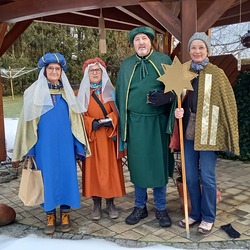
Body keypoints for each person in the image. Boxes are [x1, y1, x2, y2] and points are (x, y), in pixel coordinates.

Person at [12, 52, 91, 235]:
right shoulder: (33, 94)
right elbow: (28, 125)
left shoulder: (67, 95)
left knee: (66, 178)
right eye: (51, 68)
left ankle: (64, 214)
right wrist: (30, 150)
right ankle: (49, 215)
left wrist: (78, 147)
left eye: (57, 69)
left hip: (65, 147)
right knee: (46, 180)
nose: (54, 71)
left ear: (61, 72)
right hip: (43, 148)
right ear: (44, 71)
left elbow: (76, 124)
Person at [174, 32, 239, 235]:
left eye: (201, 47)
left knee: (207, 177)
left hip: (209, 133)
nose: (197, 51)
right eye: (193, 47)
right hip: (188, 130)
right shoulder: (183, 72)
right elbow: (176, 98)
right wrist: (177, 111)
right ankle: (195, 213)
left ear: (208, 50)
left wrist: (226, 131)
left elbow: (228, 103)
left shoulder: (217, 73)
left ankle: (208, 217)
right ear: (189, 50)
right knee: (191, 177)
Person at [115, 26, 176, 227]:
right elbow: (120, 97)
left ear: (151, 41)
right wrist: (124, 127)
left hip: (157, 123)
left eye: (144, 39)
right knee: (138, 166)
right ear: (133, 44)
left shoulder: (164, 61)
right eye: (137, 40)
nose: (141, 43)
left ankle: (160, 208)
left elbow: (179, 92)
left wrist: (167, 97)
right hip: (135, 124)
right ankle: (139, 207)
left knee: (158, 166)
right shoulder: (126, 66)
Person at [76, 57, 126, 221]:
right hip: (93, 140)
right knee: (93, 172)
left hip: (108, 138)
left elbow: (119, 112)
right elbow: (77, 117)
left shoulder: (111, 92)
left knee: (110, 171)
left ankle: (110, 203)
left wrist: (111, 119)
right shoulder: (81, 95)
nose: (95, 73)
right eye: (92, 71)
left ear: (103, 73)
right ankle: (96, 204)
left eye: (98, 70)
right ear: (87, 74)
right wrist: (91, 123)